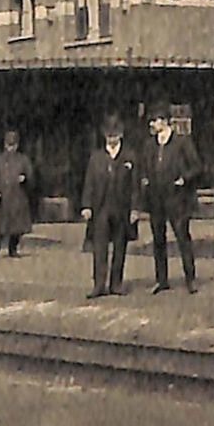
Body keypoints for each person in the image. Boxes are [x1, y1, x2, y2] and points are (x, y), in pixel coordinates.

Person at [143, 102, 201, 294]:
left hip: (177, 199)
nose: (152, 124)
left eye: (154, 120)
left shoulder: (181, 141)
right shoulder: (150, 145)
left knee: (182, 238)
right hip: (156, 199)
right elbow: (146, 168)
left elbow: (196, 166)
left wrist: (183, 178)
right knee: (158, 240)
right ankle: (162, 280)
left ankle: (190, 279)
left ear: (164, 121)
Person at [80, 113, 136, 299]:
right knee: (99, 247)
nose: (112, 139)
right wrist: (86, 206)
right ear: (104, 136)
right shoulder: (96, 158)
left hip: (122, 208)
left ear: (121, 135)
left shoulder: (129, 156)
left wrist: (135, 208)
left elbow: (135, 184)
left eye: (115, 135)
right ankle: (98, 284)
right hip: (101, 208)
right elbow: (89, 183)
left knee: (120, 246)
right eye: (109, 136)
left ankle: (116, 283)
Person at [0, 129, 33, 259]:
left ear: (17, 145)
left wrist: (25, 178)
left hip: (17, 198)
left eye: (13, 145)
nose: (10, 148)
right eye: (8, 145)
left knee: (16, 228)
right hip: (2, 198)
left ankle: (13, 249)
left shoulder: (23, 160)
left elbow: (31, 176)